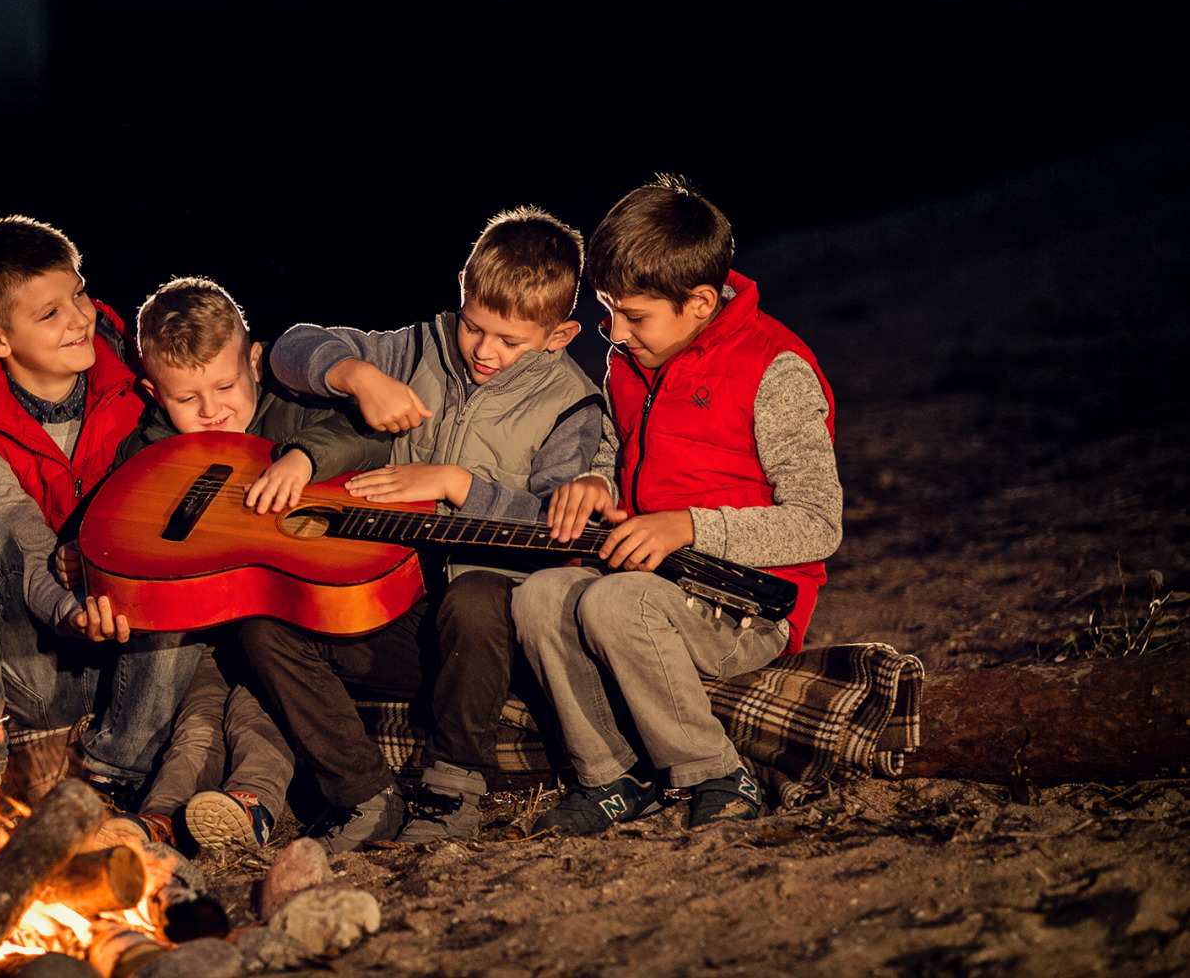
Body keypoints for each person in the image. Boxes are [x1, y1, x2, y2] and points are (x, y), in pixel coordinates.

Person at [245, 206, 605, 850]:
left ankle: (452, 786)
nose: (485, 351)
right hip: (393, 607)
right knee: (268, 621)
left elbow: (561, 525)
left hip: (486, 636)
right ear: (460, 290)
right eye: (474, 327)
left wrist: (455, 485)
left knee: (475, 599)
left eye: (511, 340)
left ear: (558, 334)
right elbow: (291, 347)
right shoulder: (416, 348)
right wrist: (356, 375)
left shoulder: (571, 403)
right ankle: (363, 795)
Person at [510, 174, 842, 834]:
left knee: (613, 601)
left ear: (697, 301)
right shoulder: (632, 363)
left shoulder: (774, 369)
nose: (614, 333)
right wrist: (598, 482)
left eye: (633, 317)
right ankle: (611, 777)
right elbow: (612, 442)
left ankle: (716, 770)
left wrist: (689, 526)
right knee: (540, 596)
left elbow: (818, 522)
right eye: (608, 312)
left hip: (747, 601)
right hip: (650, 581)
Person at [57, 275, 394, 848]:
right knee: (196, 722)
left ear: (256, 363)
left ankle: (252, 803)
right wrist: (86, 553)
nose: (212, 411)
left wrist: (303, 460)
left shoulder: (290, 412)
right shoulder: (150, 451)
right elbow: (121, 520)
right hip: (204, 636)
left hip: (284, 626)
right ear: (154, 393)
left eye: (225, 386)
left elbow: (363, 435)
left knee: (258, 712)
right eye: (187, 399)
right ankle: (160, 815)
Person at [0, 215, 145, 787]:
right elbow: (28, 542)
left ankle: (121, 769)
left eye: (79, 295)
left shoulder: (142, 385)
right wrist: (72, 611)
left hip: (137, 653)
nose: (80, 321)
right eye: (50, 315)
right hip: (40, 670)